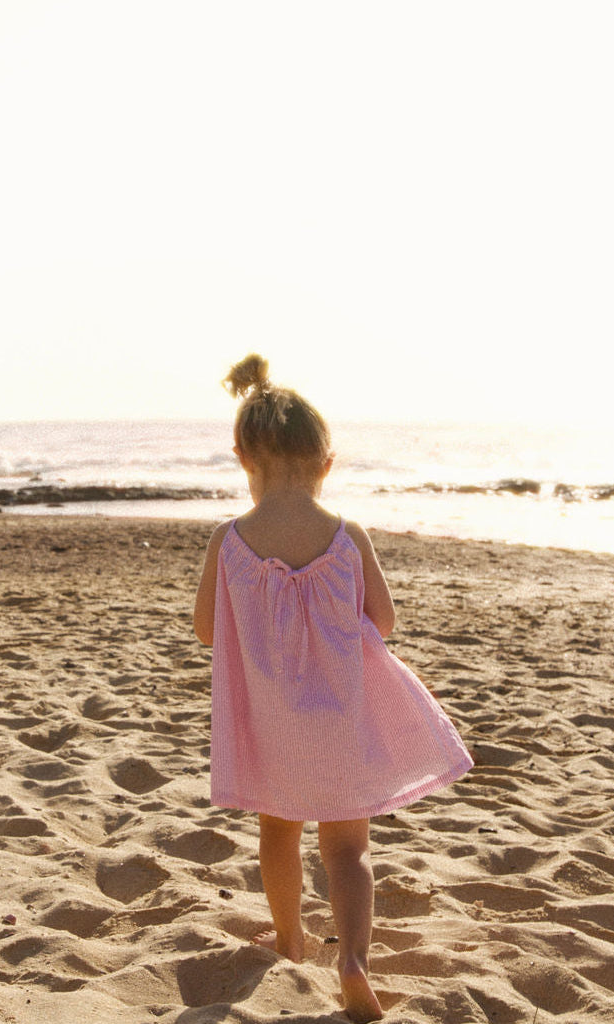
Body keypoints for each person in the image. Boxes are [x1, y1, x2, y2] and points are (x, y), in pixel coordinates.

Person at [193, 354, 473, 1023]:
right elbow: (385, 620)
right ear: (326, 462)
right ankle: (351, 960)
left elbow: (206, 630)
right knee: (348, 847)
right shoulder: (346, 537)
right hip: (340, 718)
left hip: (270, 722)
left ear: (241, 458)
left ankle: (290, 938)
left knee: (278, 832)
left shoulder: (229, 542)